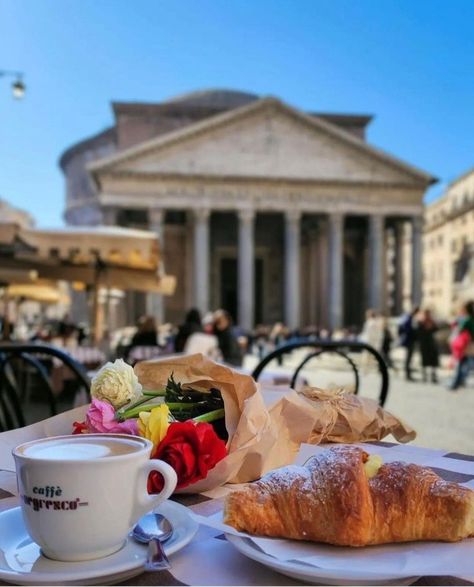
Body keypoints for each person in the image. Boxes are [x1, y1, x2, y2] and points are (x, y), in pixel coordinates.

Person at [447, 300, 474, 391]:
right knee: (464, 363)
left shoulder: (467, 320)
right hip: (470, 344)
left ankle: (456, 383)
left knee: (462, 363)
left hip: (467, 345)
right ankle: (458, 382)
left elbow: (459, 330)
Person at [417, 309, 439, 383]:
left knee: (433, 360)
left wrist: (431, 326)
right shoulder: (420, 322)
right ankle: (424, 376)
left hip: (431, 343)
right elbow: (418, 332)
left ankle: (433, 376)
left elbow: (436, 329)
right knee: (424, 360)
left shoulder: (431, 322)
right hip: (424, 344)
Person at [398, 306, 419, 381]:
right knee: (408, 357)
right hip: (409, 340)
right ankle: (407, 374)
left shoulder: (407, 317)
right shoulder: (409, 318)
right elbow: (408, 329)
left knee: (408, 357)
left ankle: (408, 374)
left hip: (409, 340)